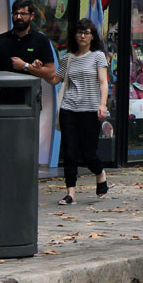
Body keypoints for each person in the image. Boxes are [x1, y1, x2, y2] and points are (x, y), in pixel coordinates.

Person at [52, 17, 110, 205]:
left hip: (90, 109)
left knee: (88, 153)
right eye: (79, 32)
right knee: (69, 151)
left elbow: (103, 82)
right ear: (74, 36)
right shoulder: (68, 58)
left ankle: (100, 173)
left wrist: (102, 105)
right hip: (69, 108)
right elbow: (55, 79)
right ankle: (71, 193)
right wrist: (32, 68)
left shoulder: (98, 56)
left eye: (86, 33)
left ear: (92, 36)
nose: (82, 36)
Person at [0, 0, 56, 103]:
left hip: (31, 104)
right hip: (5, 102)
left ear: (32, 16)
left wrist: (26, 66)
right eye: (15, 14)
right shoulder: (2, 39)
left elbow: (50, 73)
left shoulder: (41, 40)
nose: (18, 17)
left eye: (23, 14)